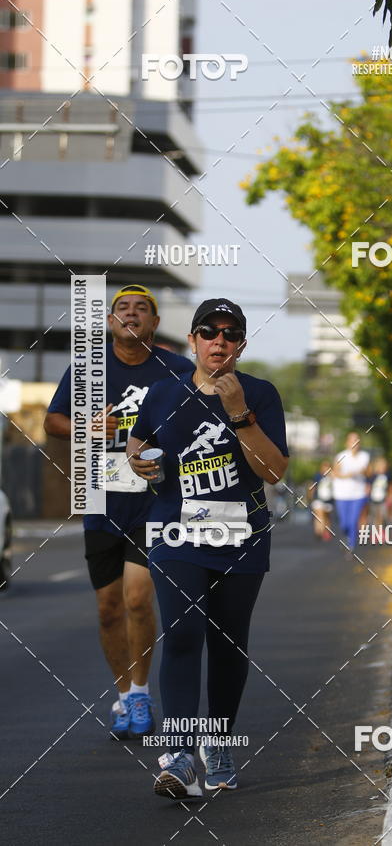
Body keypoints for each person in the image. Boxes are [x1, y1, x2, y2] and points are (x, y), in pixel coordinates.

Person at [127, 297, 288, 800]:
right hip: (176, 534)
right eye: (208, 331)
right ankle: (178, 754)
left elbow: (275, 470)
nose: (219, 340)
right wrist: (138, 461)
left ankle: (217, 742)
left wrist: (238, 411)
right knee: (181, 632)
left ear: (240, 343)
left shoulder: (260, 393)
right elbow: (138, 441)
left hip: (241, 536)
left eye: (229, 333)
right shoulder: (160, 393)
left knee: (228, 641)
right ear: (193, 340)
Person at [44, 284, 194, 740]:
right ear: (111, 321)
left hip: (156, 499)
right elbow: (51, 422)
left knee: (136, 598)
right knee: (109, 609)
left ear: (153, 323)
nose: (131, 313)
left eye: (142, 309)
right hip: (100, 498)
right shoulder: (88, 370)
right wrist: (85, 427)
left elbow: (200, 420)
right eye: (122, 308)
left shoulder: (177, 369)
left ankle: (144, 692)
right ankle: (125, 695)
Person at [332, 432, 370, 552]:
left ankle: (351, 546)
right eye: (352, 440)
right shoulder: (341, 456)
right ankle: (346, 536)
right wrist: (347, 475)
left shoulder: (364, 456)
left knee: (353, 521)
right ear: (347, 443)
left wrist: (361, 472)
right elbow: (335, 473)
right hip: (341, 494)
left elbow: (368, 472)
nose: (355, 443)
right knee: (344, 523)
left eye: (357, 440)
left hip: (358, 494)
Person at [309, 460, 334, 540]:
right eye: (324, 466)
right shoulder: (317, 476)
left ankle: (325, 531)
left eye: (327, 467)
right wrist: (311, 497)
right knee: (319, 515)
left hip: (329, 500)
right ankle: (319, 532)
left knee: (327, 516)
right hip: (318, 499)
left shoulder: (332, 476)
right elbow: (312, 487)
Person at [368, 457, 392, 527]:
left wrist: (391, 495)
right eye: (381, 466)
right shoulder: (373, 476)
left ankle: (381, 530)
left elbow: (391, 485)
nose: (382, 468)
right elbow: (369, 486)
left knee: (383, 515)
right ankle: (375, 532)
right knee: (374, 516)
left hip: (384, 499)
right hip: (373, 499)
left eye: (384, 466)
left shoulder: (388, 475)